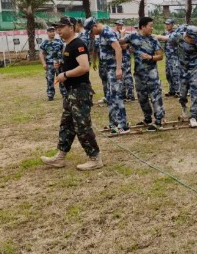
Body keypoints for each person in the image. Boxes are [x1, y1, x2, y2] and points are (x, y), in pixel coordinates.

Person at [41, 16, 102, 171]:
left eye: (61, 27)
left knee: (82, 126)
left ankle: (95, 158)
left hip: (80, 91)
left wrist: (65, 75)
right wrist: (61, 64)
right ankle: (60, 157)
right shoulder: (66, 45)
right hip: (70, 91)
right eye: (57, 27)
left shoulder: (78, 44)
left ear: (71, 27)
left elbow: (84, 67)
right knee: (66, 125)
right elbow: (73, 63)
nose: (58, 30)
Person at [157, 25, 197, 127]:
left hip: (195, 68)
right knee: (182, 93)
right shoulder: (178, 37)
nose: (193, 40)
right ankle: (184, 108)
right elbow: (163, 38)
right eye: (191, 38)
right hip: (182, 69)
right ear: (187, 35)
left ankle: (193, 116)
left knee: (195, 92)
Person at [122, 17, 165, 131]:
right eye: (150, 26)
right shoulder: (132, 37)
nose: (152, 28)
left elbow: (160, 56)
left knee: (155, 97)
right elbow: (120, 43)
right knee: (142, 97)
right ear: (142, 27)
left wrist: (150, 57)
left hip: (152, 73)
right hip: (139, 74)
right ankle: (147, 118)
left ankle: (159, 121)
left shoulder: (153, 40)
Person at [97, 21, 129, 133]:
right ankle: (114, 122)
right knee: (110, 96)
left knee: (116, 96)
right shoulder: (102, 33)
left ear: (94, 26)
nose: (91, 33)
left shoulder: (107, 32)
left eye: (91, 30)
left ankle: (123, 125)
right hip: (108, 69)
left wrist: (119, 68)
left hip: (114, 68)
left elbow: (118, 49)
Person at [38, 26, 67, 101]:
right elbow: (41, 53)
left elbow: (63, 50)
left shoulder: (59, 41)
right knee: (50, 80)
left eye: (53, 31)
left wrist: (64, 60)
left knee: (61, 79)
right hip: (49, 64)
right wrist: (44, 63)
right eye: (50, 31)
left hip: (59, 63)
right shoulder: (45, 42)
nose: (52, 33)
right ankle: (50, 95)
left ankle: (64, 94)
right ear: (47, 32)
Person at [114, 20, 135, 102]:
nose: (118, 26)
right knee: (120, 77)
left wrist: (121, 37)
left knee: (127, 76)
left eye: (120, 25)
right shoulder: (115, 35)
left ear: (123, 26)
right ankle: (122, 95)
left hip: (125, 58)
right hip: (119, 58)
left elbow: (123, 46)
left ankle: (130, 95)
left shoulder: (126, 36)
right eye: (117, 25)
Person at [162, 18, 181, 97]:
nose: (167, 26)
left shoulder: (176, 33)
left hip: (175, 57)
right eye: (166, 24)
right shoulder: (165, 33)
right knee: (168, 74)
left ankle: (178, 91)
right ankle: (172, 90)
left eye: (168, 24)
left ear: (172, 25)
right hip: (168, 57)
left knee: (175, 74)